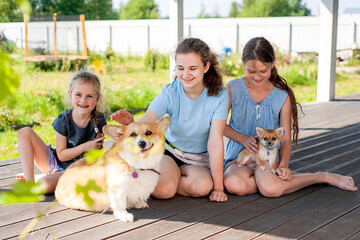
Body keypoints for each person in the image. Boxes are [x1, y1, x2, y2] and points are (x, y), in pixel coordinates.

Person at [223, 37, 357, 197]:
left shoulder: (281, 96)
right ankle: (268, 182)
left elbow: (285, 139)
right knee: (233, 184)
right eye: (251, 71)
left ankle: (321, 176)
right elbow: (218, 125)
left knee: (271, 189)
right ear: (243, 63)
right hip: (240, 155)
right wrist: (242, 139)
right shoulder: (233, 88)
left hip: (267, 157)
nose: (257, 77)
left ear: (272, 64)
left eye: (263, 71)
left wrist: (284, 166)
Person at [111, 38, 229, 202]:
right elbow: (145, 123)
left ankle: (167, 178)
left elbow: (215, 142)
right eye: (180, 68)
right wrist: (130, 122)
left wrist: (218, 188)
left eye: (193, 68)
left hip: (198, 160)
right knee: (164, 191)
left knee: (203, 187)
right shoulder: (170, 92)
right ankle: (167, 179)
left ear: (206, 67)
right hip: (170, 153)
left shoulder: (220, 95)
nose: (186, 74)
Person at [16, 71, 107, 194]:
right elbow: (61, 155)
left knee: (44, 185)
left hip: (74, 170)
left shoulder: (99, 120)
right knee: (24, 132)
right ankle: (29, 182)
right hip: (54, 161)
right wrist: (85, 147)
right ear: (70, 95)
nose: (83, 100)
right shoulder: (64, 119)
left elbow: (97, 158)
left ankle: (43, 180)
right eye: (78, 95)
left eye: (89, 96)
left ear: (97, 98)